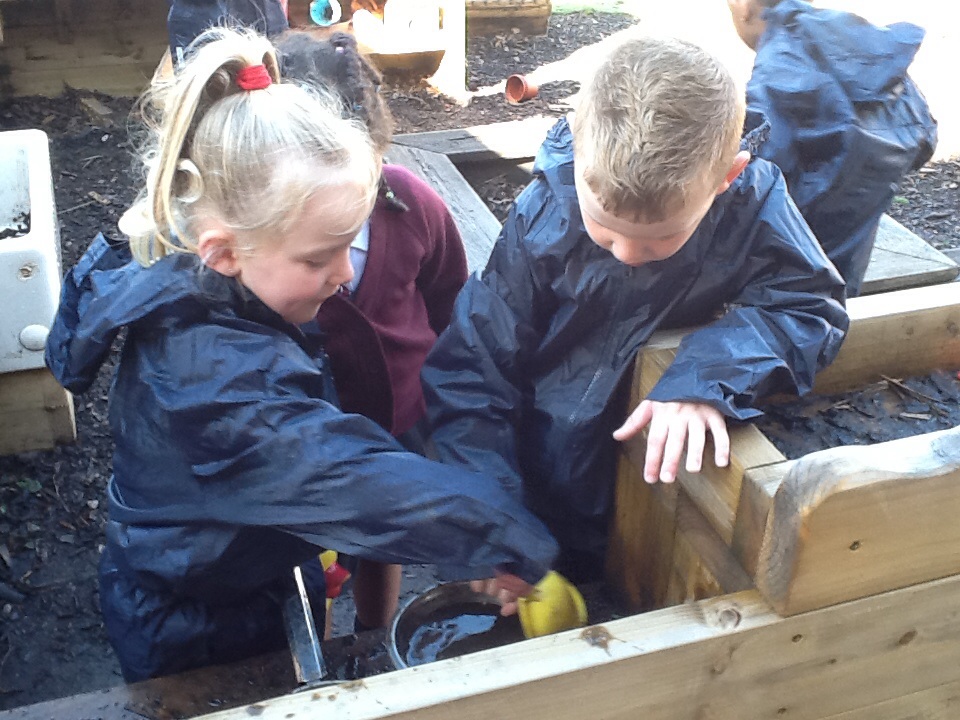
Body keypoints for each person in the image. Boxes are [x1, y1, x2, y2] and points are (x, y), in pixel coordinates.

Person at [44, 27, 556, 682]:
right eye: (320, 257)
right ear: (224, 251)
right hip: (191, 626)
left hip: (255, 573)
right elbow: (343, 476)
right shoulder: (207, 381)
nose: (345, 274)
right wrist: (502, 531)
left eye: (350, 245)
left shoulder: (225, 287)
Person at [421, 36, 849, 581]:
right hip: (540, 466)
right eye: (604, 228)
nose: (626, 253)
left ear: (728, 177)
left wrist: (709, 378)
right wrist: (492, 523)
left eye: (658, 240)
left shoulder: (754, 204)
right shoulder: (544, 212)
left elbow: (809, 306)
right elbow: (473, 370)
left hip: (645, 486)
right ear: (576, 142)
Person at [274, 30, 470, 633]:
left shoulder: (409, 204)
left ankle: (373, 637)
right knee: (304, 542)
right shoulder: (268, 235)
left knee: (385, 536)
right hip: (304, 421)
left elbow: (447, 295)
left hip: (397, 417)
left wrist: (440, 394)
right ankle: (316, 635)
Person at [726, 0, 938, 297]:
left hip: (789, 282)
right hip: (849, 263)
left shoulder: (776, 72)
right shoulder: (865, 43)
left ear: (743, 5)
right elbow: (924, 138)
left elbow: (755, 189)